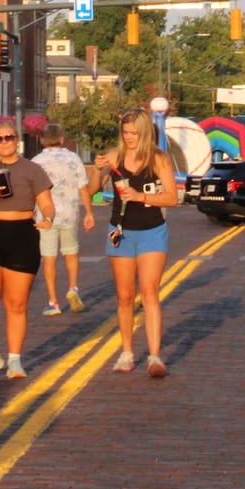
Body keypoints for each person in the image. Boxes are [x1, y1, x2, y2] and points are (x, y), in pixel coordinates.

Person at [0, 123, 55, 380]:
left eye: (9, 138)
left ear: (17, 141)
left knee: (16, 303)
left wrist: (47, 218)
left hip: (23, 235)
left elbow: (47, 204)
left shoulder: (32, 170)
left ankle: (14, 359)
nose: (4, 142)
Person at [93, 110, 175, 377]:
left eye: (134, 134)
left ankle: (154, 356)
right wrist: (97, 170)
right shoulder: (115, 156)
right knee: (125, 296)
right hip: (121, 231)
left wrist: (140, 196)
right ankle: (126, 352)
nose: (129, 138)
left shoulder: (158, 159)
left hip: (152, 230)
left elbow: (172, 198)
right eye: (126, 133)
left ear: (144, 134)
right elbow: (92, 188)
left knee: (149, 293)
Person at [32, 126, 93, 316]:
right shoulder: (73, 159)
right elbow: (83, 187)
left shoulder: (36, 162)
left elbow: (31, 190)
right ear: (61, 138)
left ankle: (53, 302)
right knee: (71, 252)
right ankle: (73, 287)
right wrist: (89, 212)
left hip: (45, 216)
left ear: (42, 140)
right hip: (70, 212)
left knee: (49, 258)